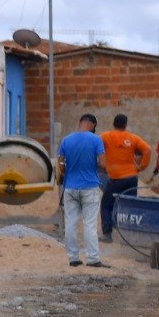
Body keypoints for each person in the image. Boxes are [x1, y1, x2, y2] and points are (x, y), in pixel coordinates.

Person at [57, 113, 108, 268]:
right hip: (90, 187)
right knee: (90, 224)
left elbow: (60, 165)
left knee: (71, 223)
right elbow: (104, 164)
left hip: (70, 187)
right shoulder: (96, 140)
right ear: (92, 125)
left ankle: (73, 258)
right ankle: (92, 259)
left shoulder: (66, 140)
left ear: (80, 123)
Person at [98, 113, 150, 243]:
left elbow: (96, 146)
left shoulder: (106, 136)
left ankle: (107, 234)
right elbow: (147, 149)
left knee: (106, 205)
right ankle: (131, 236)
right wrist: (141, 167)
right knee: (130, 205)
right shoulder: (133, 138)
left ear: (113, 124)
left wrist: (101, 163)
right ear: (125, 125)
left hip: (116, 179)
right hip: (132, 177)